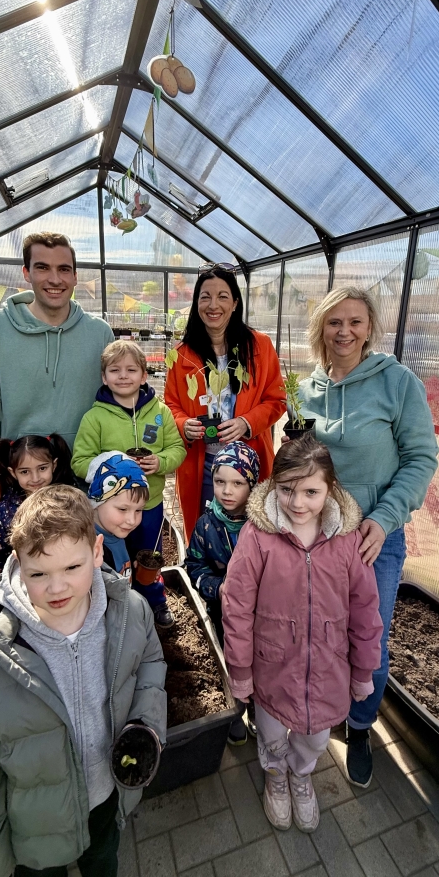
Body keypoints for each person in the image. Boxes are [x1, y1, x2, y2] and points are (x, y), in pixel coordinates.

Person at [0, 485, 167, 877]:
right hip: (35, 824)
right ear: (17, 563)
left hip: (106, 794)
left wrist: (145, 724)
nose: (57, 587)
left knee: (103, 858)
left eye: (73, 566)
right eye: (38, 573)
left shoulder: (130, 612)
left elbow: (150, 664)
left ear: (98, 552)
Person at [297, 285, 438, 788]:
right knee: (320, 628)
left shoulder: (397, 383)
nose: (344, 331)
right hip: (316, 533)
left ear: (369, 328)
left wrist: (384, 518)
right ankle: (324, 706)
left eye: (355, 322)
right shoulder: (307, 388)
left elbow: (421, 459)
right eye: (334, 322)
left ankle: (360, 728)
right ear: (321, 329)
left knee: (369, 639)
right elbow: (297, 458)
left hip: (372, 536)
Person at [221, 437, 383, 833]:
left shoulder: (347, 541)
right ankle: (275, 774)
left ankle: (301, 774)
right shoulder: (258, 537)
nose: (297, 503)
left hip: (328, 669)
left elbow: (365, 608)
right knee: (272, 733)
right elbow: (237, 604)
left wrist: (363, 670)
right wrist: (240, 669)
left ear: (330, 490)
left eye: (311, 492)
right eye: (287, 489)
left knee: (314, 738)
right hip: (273, 667)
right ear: (273, 485)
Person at [0, 231, 114, 519]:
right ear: (26, 273)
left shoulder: (99, 333)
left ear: (75, 276)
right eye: (42, 267)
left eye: (64, 269)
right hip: (23, 478)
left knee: (87, 558)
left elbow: (115, 402)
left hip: (84, 473)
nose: (55, 279)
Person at [164, 264, 286, 539]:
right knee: (207, 534)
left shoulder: (260, 346)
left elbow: (276, 399)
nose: (213, 304)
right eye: (205, 296)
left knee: (254, 534)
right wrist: (184, 424)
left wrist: (246, 422)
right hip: (204, 463)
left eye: (222, 296)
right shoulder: (182, 355)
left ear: (235, 303)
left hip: (249, 462)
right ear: (196, 304)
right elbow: (170, 404)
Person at [72, 340, 186, 561]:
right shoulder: (95, 418)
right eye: (115, 370)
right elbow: (80, 461)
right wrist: (113, 467)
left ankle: (149, 593)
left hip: (150, 504)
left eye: (131, 370)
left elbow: (177, 448)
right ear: (104, 377)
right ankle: (117, 592)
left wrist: (160, 461)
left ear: (144, 376)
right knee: (111, 560)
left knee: (148, 559)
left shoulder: (160, 412)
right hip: (109, 509)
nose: (123, 376)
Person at [185, 441, 260, 746]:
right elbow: (193, 565)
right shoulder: (206, 525)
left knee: (259, 661)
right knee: (232, 662)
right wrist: (218, 588)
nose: (227, 491)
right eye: (219, 481)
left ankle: (257, 707)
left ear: (252, 484)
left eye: (238, 483)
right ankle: (235, 711)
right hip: (221, 613)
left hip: (260, 618)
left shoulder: (264, 525)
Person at [86, 452, 174, 628]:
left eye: (138, 510)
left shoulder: (117, 531)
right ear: (97, 502)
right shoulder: (92, 551)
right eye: (123, 509)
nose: (132, 520)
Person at [0, 433, 74, 570]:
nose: (35, 478)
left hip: (64, 571)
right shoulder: (6, 509)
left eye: (42, 468)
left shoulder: (69, 500)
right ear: (13, 473)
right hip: (22, 577)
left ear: (54, 465)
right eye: (25, 472)